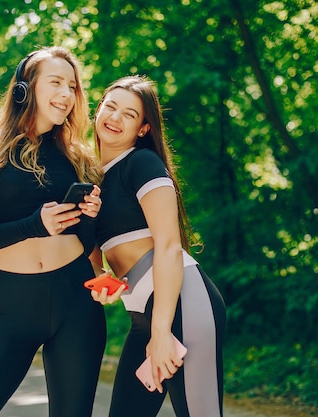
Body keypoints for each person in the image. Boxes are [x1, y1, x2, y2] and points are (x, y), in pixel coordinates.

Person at [0, 46, 106, 417]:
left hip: (75, 304)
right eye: (56, 82)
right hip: (11, 305)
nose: (67, 94)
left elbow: (85, 242)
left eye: (73, 86)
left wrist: (90, 216)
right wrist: (34, 225)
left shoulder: (77, 157)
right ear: (24, 88)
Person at [89, 75, 227, 417]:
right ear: (97, 110)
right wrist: (100, 279)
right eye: (110, 106)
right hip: (143, 318)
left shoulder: (142, 164)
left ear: (143, 129)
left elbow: (168, 246)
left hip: (184, 307)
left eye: (129, 114)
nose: (115, 117)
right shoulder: (90, 178)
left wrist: (162, 331)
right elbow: (94, 256)